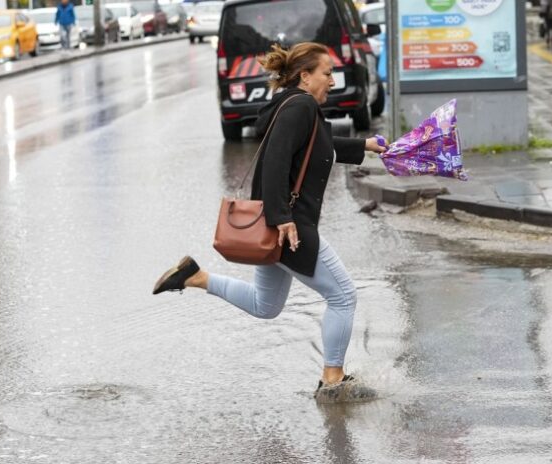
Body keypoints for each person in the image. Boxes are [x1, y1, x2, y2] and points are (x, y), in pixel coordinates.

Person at [153, 42, 386, 398]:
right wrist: (282, 219)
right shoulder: (302, 106)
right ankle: (333, 377)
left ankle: (195, 276)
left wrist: (364, 145)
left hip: (275, 223)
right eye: (327, 73)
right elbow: (277, 159)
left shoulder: (292, 104)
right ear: (305, 76)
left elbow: (315, 149)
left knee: (266, 305)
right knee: (343, 297)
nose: (333, 81)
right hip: (288, 225)